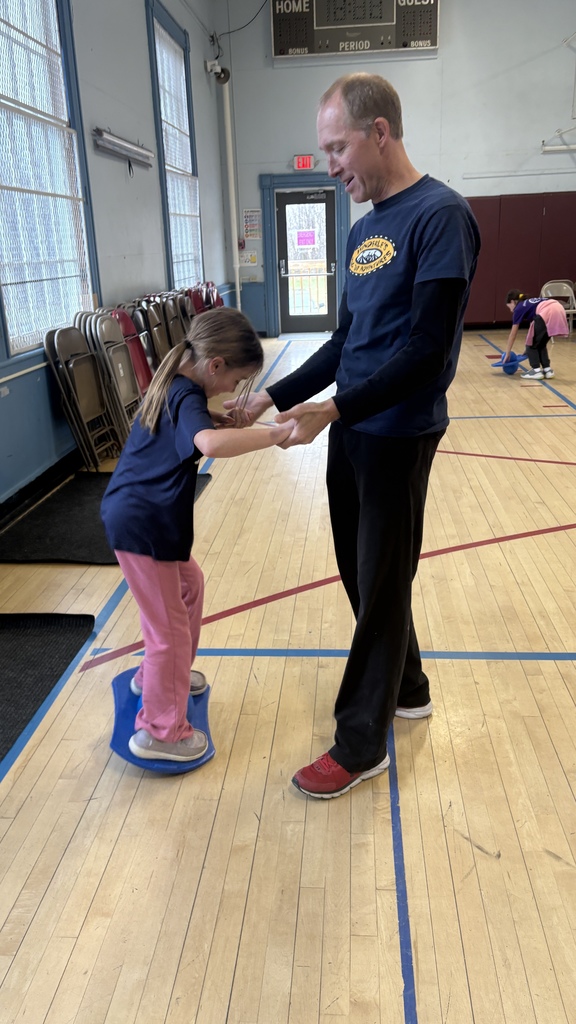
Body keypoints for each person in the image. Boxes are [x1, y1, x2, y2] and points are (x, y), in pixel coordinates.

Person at [225, 73, 481, 799]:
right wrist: (268, 398)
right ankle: (410, 688)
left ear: (379, 133)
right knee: (363, 574)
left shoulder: (441, 217)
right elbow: (346, 342)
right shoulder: (364, 228)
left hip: (399, 431)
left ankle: (360, 741)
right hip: (356, 428)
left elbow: (427, 353)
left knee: (379, 576)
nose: (329, 165)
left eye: (336, 148)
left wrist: (334, 410)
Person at [101, 307, 293, 763]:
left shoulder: (179, 382)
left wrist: (220, 421)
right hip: (142, 525)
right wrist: (275, 435)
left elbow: (191, 430)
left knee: (190, 584)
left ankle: (162, 676)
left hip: (144, 518)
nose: (232, 391)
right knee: (166, 630)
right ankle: (161, 732)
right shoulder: (186, 393)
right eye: (236, 381)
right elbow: (206, 445)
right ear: (215, 365)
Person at [502, 290, 569, 379]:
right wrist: (528, 351)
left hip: (547, 312)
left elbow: (513, 334)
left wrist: (507, 352)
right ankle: (547, 370)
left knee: (530, 344)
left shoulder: (518, 308)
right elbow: (534, 329)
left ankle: (536, 371)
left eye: (509, 307)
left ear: (512, 301)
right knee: (540, 344)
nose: (510, 310)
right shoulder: (529, 302)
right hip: (558, 308)